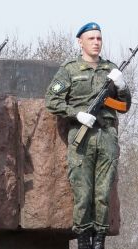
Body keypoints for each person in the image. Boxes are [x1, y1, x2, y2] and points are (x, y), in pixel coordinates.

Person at [44, 22, 131, 249]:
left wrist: (121, 87)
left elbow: (124, 106)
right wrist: (77, 114)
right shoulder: (70, 69)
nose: (96, 42)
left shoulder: (111, 69)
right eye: (91, 38)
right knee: (82, 192)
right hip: (82, 138)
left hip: (106, 136)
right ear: (80, 42)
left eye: (99, 39)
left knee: (103, 193)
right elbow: (52, 101)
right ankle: (83, 240)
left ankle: (99, 241)